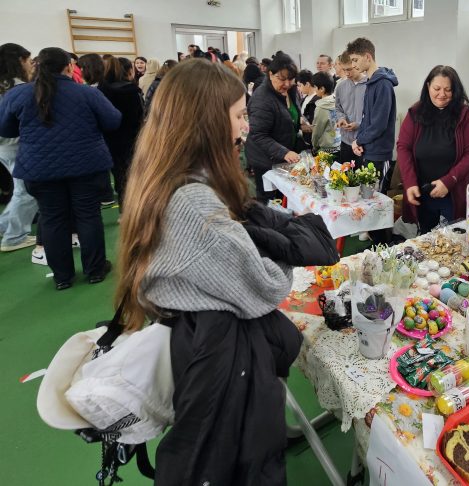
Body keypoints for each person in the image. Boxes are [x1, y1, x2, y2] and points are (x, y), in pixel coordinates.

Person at [115, 58, 337, 485]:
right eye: (238, 116)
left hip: (201, 339)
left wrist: (257, 240)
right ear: (207, 123)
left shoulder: (170, 176)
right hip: (221, 355)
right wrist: (280, 251)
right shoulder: (193, 203)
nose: (245, 127)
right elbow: (265, 285)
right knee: (241, 458)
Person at [0, 47, 121, 289]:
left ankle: (62, 277)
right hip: (86, 164)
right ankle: (95, 269)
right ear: (69, 66)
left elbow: (5, 129)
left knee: (52, 218)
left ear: (37, 65)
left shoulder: (18, 94)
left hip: (40, 167)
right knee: (88, 215)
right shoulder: (86, 93)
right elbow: (113, 120)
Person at [397, 65, 469, 234]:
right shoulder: (415, 113)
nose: (442, 94)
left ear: (455, 91)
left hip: (454, 191)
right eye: (437, 89)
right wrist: (410, 182)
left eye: (448, 90)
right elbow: (403, 147)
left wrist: (448, 181)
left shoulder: (465, 116)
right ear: (428, 86)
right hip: (422, 190)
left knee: (457, 236)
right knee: (425, 236)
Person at [243, 52, 303, 202]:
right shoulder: (262, 98)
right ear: (270, 74)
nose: (287, 84)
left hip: (284, 156)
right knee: (269, 200)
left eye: (291, 79)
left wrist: (300, 124)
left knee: (285, 198)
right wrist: (284, 152)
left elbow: (291, 113)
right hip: (265, 160)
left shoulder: (291, 90)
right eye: (282, 79)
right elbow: (258, 135)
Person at [0, 43, 38, 252]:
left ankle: (4, 226)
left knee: (21, 190)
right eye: (28, 60)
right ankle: (14, 237)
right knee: (27, 191)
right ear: (19, 61)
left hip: (5, 147)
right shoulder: (17, 88)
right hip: (15, 145)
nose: (31, 64)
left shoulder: (4, 85)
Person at [347, 37, 398, 191]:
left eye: (355, 60)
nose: (353, 65)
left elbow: (378, 125)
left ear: (367, 57)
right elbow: (366, 119)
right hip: (369, 150)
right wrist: (359, 141)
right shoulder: (371, 82)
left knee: (376, 198)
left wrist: (359, 141)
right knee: (366, 196)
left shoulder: (383, 84)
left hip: (379, 153)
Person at [99, 56, 144, 215]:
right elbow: (140, 116)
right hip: (132, 138)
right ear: (129, 70)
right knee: (135, 175)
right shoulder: (131, 91)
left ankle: (124, 212)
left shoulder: (101, 90)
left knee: (119, 175)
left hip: (109, 139)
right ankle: (135, 210)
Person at [334, 50, 367, 165]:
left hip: (363, 143)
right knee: (345, 174)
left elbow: (374, 115)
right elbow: (338, 108)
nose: (347, 74)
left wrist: (359, 124)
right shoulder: (340, 86)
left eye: (349, 69)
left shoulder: (369, 85)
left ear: (356, 65)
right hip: (345, 142)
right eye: (344, 70)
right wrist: (341, 118)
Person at [310, 72, 340, 155]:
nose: (314, 90)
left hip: (326, 149)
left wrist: (314, 145)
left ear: (322, 89)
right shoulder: (337, 101)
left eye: (315, 87)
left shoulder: (321, 107)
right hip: (338, 144)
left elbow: (317, 131)